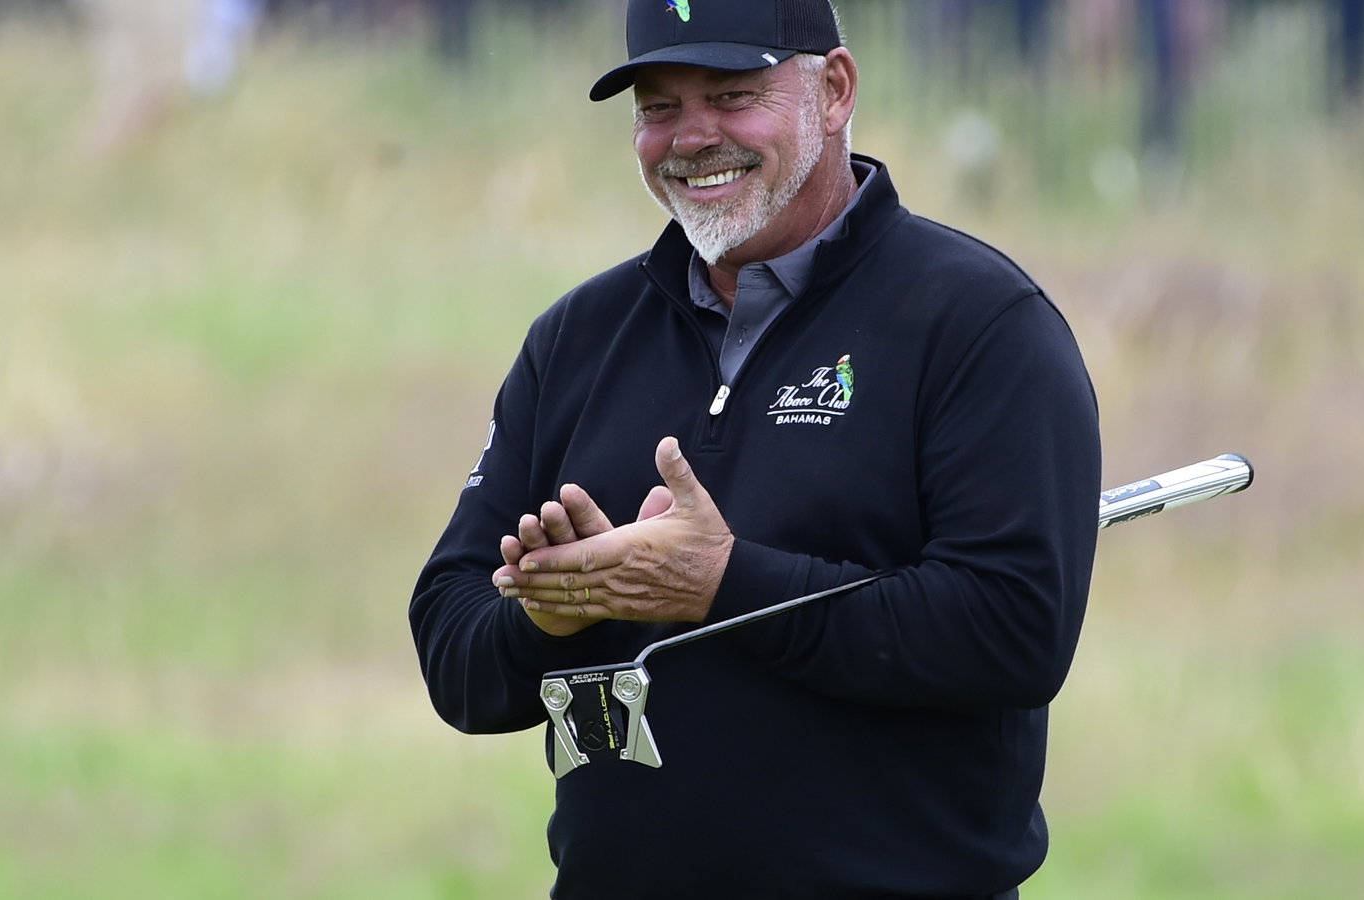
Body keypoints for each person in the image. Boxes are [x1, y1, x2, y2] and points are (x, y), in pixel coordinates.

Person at [409, 1, 1101, 897]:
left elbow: (1013, 633)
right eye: (659, 108)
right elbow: (451, 643)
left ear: (836, 89)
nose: (693, 137)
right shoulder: (577, 337)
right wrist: (550, 613)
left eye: (733, 96)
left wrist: (722, 581)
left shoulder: (980, 324)